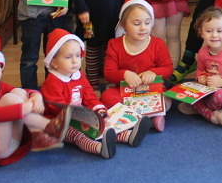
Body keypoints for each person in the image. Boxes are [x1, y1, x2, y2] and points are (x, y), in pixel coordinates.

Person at [0, 36, 72, 172]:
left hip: (11, 141)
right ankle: (48, 126)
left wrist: (36, 96)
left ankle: (39, 131)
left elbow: (24, 91)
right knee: (10, 99)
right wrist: (27, 107)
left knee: (18, 92)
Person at [41, 29, 150, 158]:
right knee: (79, 134)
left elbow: (89, 95)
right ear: (54, 62)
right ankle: (99, 148)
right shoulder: (53, 81)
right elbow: (56, 107)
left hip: (79, 115)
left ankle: (127, 136)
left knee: (104, 124)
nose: (75, 61)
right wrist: (80, 117)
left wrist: (98, 109)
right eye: (68, 57)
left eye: (77, 56)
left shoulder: (79, 75)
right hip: (58, 122)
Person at [102, 0, 173, 132]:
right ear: (123, 24)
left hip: (151, 89)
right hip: (124, 90)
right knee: (107, 97)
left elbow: (168, 69)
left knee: (167, 98)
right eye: (136, 24)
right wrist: (125, 74)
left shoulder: (157, 44)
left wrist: (153, 72)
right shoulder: (114, 44)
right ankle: (150, 118)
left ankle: (133, 118)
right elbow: (108, 73)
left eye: (147, 23)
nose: (143, 28)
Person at [181, 7, 222, 127]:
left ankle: (202, 109)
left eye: (220, 31)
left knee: (221, 97)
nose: (214, 35)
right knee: (183, 91)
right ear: (201, 33)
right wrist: (201, 77)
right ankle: (212, 113)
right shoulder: (202, 52)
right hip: (208, 89)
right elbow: (201, 69)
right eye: (209, 31)